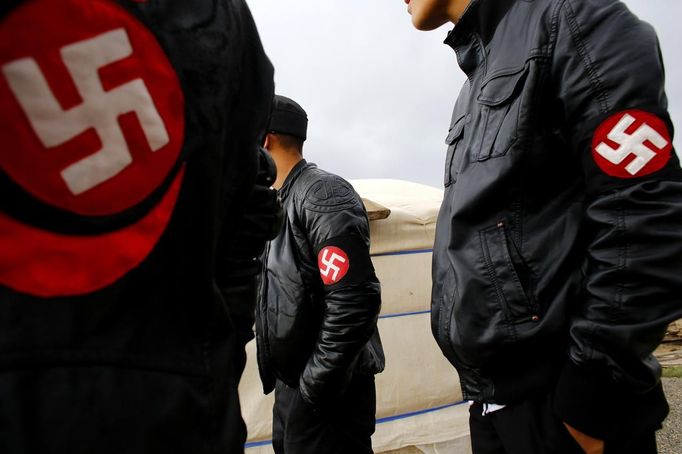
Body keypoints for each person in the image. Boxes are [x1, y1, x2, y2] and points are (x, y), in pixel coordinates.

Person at [403, 0, 682, 453]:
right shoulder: (475, 81)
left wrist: (591, 395)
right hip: (495, 405)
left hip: (564, 408)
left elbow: (645, 209)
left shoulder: (572, 19)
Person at [0, 1, 277, 452]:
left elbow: (243, 243)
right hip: (179, 406)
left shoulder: (321, 198)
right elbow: (238, 248)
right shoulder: (226, 21)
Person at [256, 94, 385, 454]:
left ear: (264, 139)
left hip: (329, 392)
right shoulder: (277, 202)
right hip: (295, 388)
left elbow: (354, 300)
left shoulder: (323, 194)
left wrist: (315, 385)